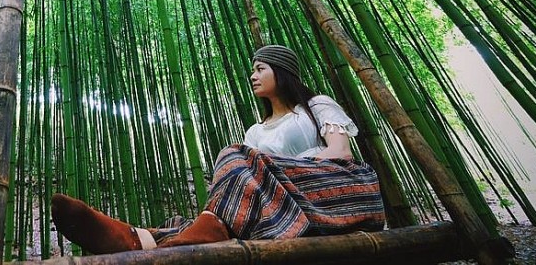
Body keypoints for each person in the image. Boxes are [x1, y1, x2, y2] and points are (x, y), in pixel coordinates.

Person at [51, 44, 386, 254]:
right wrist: (261, 170)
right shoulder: (255, 131)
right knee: (235, 159)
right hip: (273, 208)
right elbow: (246, 181)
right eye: (252, 69)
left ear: (281, 72)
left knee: (236, 156)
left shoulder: (316, 105)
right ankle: (145, 238)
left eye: (260, 69)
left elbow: (341, 153)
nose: (252, 76)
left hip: (327, 193)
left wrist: (272, 168)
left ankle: (148, 239)